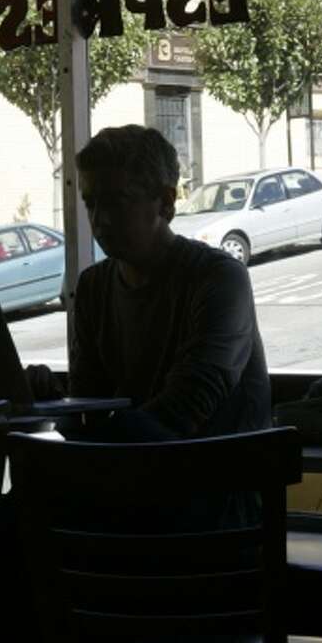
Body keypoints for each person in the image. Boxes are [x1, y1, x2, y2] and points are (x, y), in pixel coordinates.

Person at [47, 124, 270, 443]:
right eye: (91, 203)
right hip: (141, 473)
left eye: (116, 201)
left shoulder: (219, 277)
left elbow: (187, 406)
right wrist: (51, 398)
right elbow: (88, 403)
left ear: (166, 202)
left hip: (219, 477)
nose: (99, 219)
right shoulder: (93, 286)